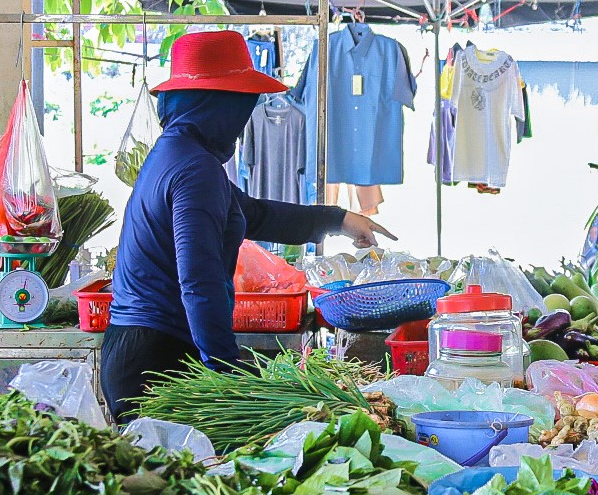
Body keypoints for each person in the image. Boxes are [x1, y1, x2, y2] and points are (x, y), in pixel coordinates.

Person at [102, 30, 391, 418]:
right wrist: (227, 371)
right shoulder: (195, 170)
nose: (242, 122)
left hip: (146, 349)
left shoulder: (179, 152)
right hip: (154, 360)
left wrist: (339, 219)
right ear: (216, 104)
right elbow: (199, 280)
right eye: (240, 104)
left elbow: (253, 215)